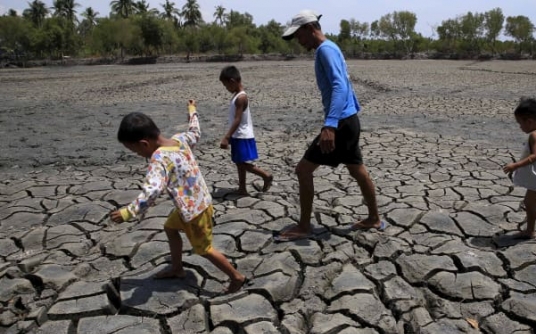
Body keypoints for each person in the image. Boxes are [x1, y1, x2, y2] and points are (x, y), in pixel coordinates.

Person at [109, 100, 247, 293]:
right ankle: (177, 268)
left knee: (204, 249)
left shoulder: (159, 159)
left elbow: (152, 190)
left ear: (144, 143)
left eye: (136, 151)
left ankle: (236, 276)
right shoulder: (180, 139)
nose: (139, 155)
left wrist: (128, 212)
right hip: (198, 203)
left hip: (194, 212)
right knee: (170, 228)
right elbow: (195, 131)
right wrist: (192, 111)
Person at [275, 9, 384, 242]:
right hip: (349, 119)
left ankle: (304, 226)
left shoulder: (325, 50)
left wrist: (330, 125)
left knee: (303, 170)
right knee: (357, 170)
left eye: (299, 35)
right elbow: (345, 85)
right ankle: (374, 217)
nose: (298, 41)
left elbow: (339, 86)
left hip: (342, 123)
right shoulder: (331, 48)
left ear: (309, 28)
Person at [503, 97, 536, 242]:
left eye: (520, 123)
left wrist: (515, 165)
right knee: (529, 204)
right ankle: (530, 231)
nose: (520, 127)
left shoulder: (534, 135)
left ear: (529, 122)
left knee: (531, 205)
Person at [219, 65, 273, 196]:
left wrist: (227, 136)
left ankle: (265, 175)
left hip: (242, 135)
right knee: (239, 163)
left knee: (241, 163)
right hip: (239, 135)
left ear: (232, 81)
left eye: (226, 86)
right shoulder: (236, 95)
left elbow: (237, 119)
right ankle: (242, 188)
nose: (227, 89)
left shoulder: (241, 98)